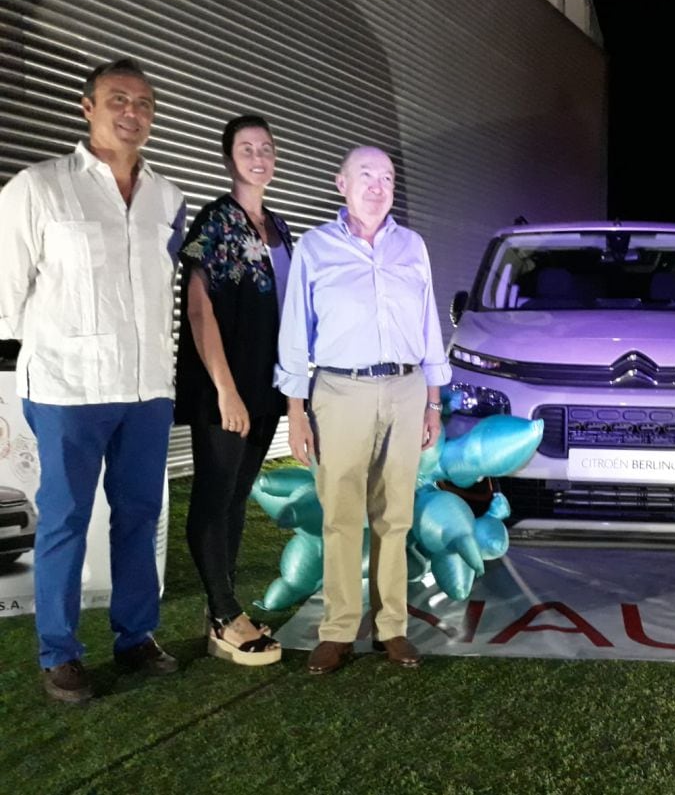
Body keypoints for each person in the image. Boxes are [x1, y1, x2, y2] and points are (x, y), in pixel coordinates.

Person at [0, 58, 186, 703]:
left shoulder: (168, 198)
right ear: (88, 108)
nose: (131, 112)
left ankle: (135, 637)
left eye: (143, 102)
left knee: (138, 515)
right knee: (64, 518)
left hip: (147, 390)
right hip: (67, 387)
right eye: (117, 99)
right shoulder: (40, 187)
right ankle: (60, 652)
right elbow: (8, 288)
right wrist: (49, 346)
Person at [275, 145, 451, 674]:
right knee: (341, 517)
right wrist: (296, 410)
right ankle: (338, 630)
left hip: (405, 389)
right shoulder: (314, 247)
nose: (378, 186)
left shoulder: (412, 246)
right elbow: (294, 331)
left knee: (395, 517)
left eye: (388, 178)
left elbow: (428, 327)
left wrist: (433, 401)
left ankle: (391, 628)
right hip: (339, 391)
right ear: (341, 184)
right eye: (366, 176)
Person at [175, 115, 292, 666]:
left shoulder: (278, 226)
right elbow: (199, 309)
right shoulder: (216, 221)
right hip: (225, 389)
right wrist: (224, 388)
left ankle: (224, 607)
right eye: (247, 148)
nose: (258, 156)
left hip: (265, 389)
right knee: (215, 494)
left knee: (238, 496)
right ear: (229, 159)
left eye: (265, 148)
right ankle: (224, 615)